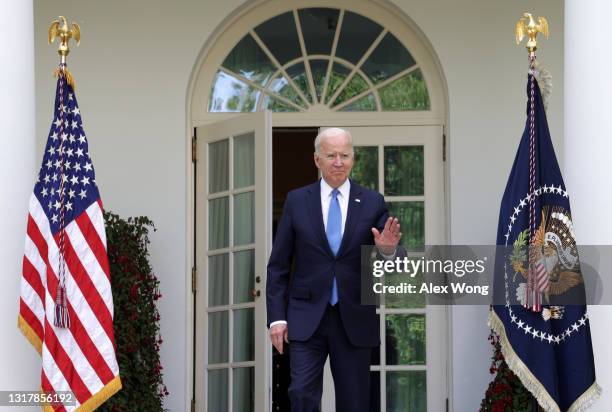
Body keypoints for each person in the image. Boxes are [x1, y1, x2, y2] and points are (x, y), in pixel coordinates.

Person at [266, 127, 402, 412]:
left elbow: (390, 266)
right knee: (302, 394)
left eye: (344, 155)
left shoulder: (373, 202)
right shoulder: (297, 201)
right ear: (317, 159)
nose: (338, 161)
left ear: (353, 158)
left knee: (354, 402)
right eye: (331, 155)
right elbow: (278, 265)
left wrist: (388, 251)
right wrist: (276, 318)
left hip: (353, 317)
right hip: (306, 316)